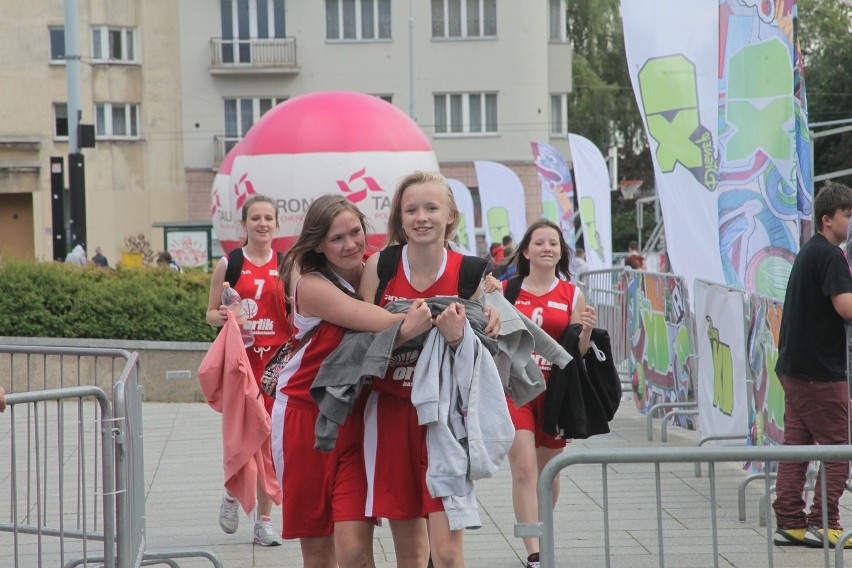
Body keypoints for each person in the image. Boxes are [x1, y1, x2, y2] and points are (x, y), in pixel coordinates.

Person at [272, 194, 434, 567]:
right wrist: (436, 316)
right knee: (318, 553)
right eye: (337, 238)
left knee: (355, 554)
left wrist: (480, 299)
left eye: (355, 232)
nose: (350, 245)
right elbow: (374, 320)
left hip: (356, 420)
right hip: (304, 420)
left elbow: (428, 278)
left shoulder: (375, 273)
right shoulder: (311, 285)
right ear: (318, 244)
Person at [359, 171, 500, 568]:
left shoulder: (470, 271)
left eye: (431, 208)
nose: (421, 217)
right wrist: (403, 332)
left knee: (449, 555)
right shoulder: (380, 266)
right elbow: (357, 343)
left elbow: (480, 361)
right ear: (400, 218)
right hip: (389, 416)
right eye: (411, 209)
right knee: (413, 556)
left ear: (450, 216)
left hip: (445, 422)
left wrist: (462, 337)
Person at [484, 219, 596, 568]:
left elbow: (577, 351)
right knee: (524, 470)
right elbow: (486, 325)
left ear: (562, 251)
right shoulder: (506, 287)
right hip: (515, 389)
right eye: (539, 243)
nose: (547, 248)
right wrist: (486, 293)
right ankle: (534, 552)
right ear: (527, 251)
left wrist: (587, 332)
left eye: (553, 243)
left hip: (556, 392)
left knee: (550, 474)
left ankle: (541, 530)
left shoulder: (573, 294)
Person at [206, 194, 289, 546]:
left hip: (275, 366)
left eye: (268, 218)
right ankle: (231, 492)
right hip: (242, 366)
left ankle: (264, 521)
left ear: (277, 223)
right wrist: (224, 316)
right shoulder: (230, 264)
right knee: (243, 437)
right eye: (255, 218)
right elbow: (210, 313)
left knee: (269, 441)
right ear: (244, 224)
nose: (263, 224)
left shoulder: (286, 264)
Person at [772, 180, 852, 549]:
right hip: (819, 372)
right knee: (838, 447)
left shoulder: (810, 251)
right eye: (846, 215)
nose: (849, 222)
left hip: (794, 365)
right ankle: (825, 521)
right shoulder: (831, 255)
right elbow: (845, 308)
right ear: (827, 219)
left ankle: (790, 521)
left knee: (798, 445)